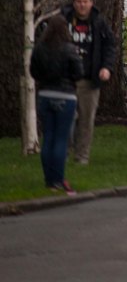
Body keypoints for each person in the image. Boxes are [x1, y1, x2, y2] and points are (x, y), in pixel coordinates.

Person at [62, 0, 117, 166]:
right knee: (67, 117)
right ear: (74, 3)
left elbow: (110, 46)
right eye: (78, 2)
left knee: (86, 119)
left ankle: (82, 156)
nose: (82, 5)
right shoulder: (64, 20)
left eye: (85, 2)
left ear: (91, 3)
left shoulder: (99, 22)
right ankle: (64, 151)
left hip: (89, 79)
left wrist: (106, 67)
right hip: (67, 79)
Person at [29, 14, 84, 194]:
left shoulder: (40, 48)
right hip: (66, 96)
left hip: (45, 94)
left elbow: (33, 71)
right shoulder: (70, 49)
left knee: (48, 137)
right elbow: (78, 72)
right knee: (61, 139)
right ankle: (58, 179)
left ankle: (48, 179)